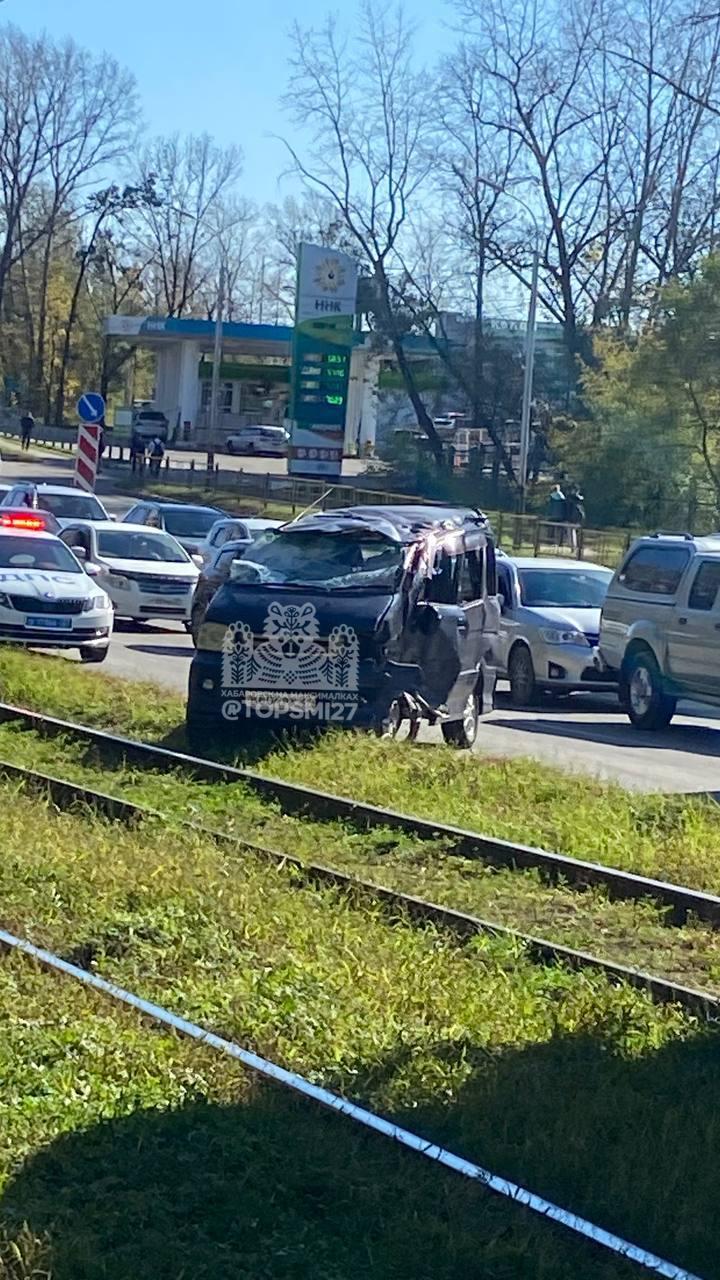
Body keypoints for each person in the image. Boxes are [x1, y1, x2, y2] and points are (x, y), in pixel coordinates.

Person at [565, 483, 586, 552]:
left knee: (571, 533)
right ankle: (579, 547)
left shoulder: (569, 498)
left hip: (571, 518)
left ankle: (573, 547)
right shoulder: (580, 499)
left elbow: (567, 509)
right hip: (578, 519)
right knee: (577, 533)